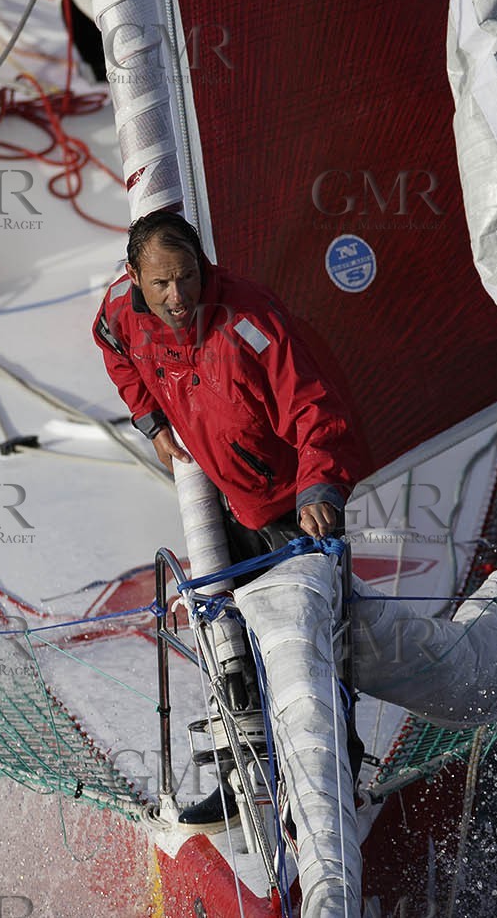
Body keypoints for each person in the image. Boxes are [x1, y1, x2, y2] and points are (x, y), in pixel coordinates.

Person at [92, 209, 369, 825]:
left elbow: (316, 407)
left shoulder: (250, 321)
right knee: (233, 651)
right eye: (160, 283)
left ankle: (330, 789)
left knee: (310, 657)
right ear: (134, 277)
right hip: (222, 506)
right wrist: (150, 422)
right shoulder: (123, 314)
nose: (177, 297)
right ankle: (247, 779)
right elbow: (112, 347)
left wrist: (320, 488)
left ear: (203, 267)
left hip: (292, 516)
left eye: (187, 278)